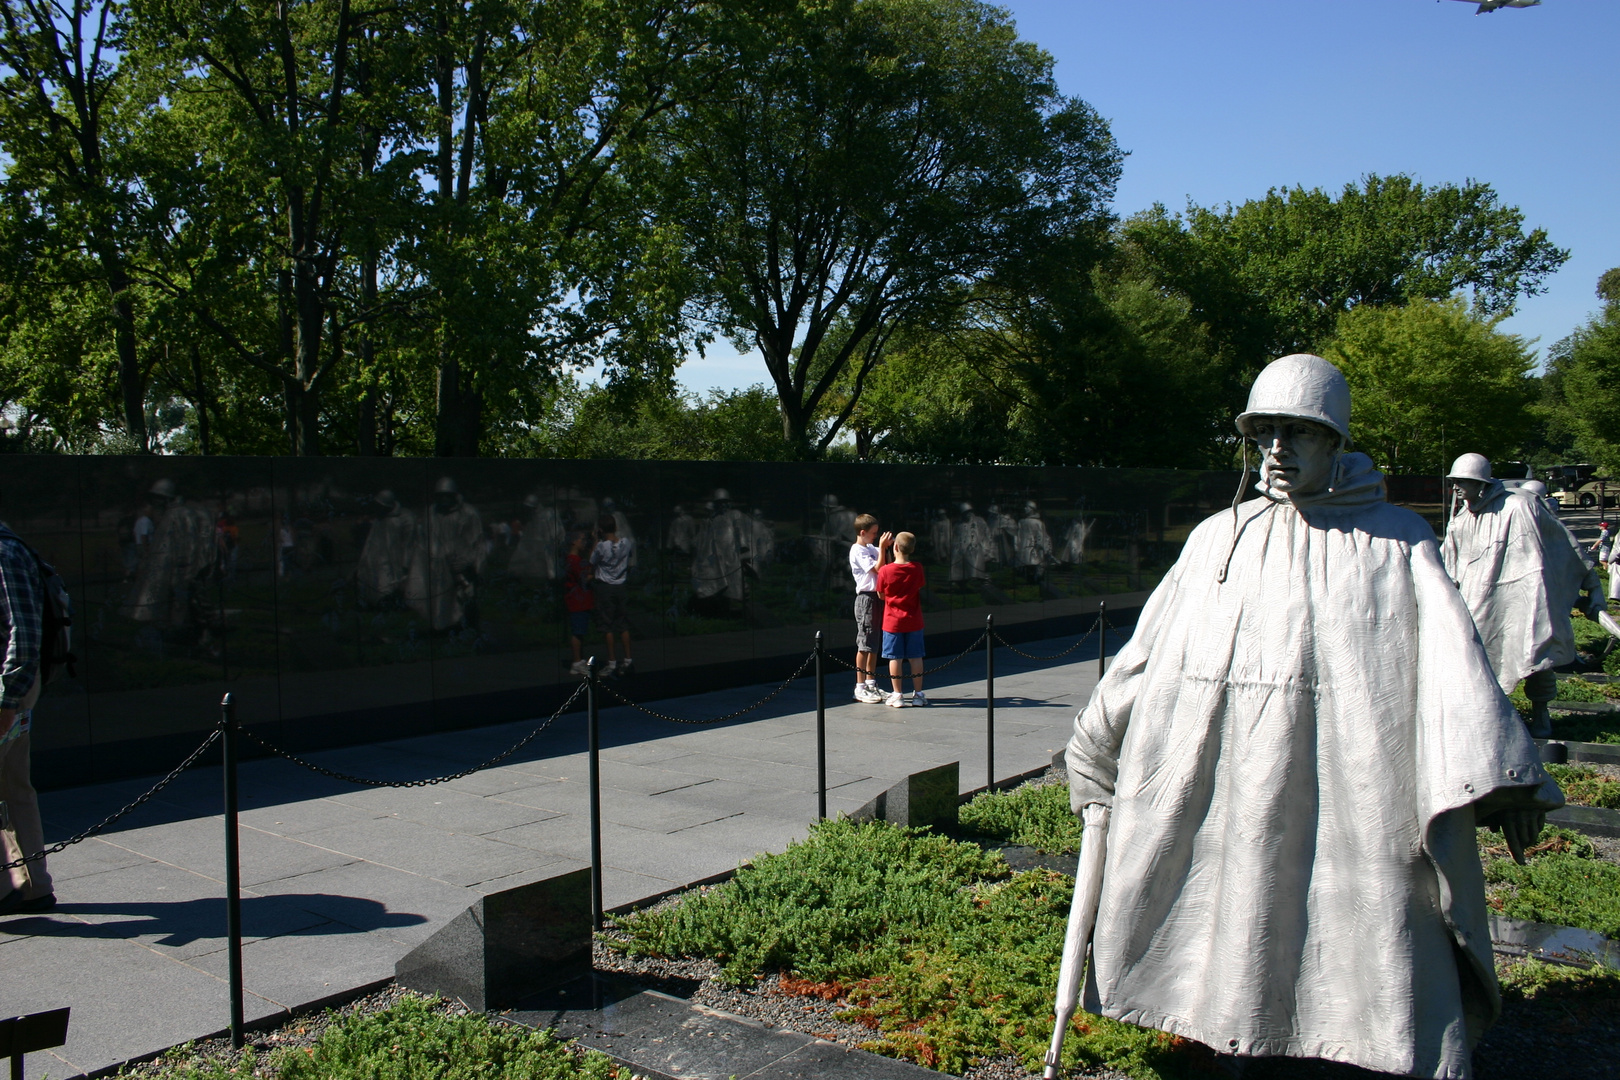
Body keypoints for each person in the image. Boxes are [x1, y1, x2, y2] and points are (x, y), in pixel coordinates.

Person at [1065, 354, 1559, 1078]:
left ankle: (1351, 1040)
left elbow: (1457, 666)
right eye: (1264, 433)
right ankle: (1229, 1033)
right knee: (1230, 907)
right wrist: (1095, 744)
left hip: (1356, 788)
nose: (1277, 451)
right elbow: (1147, 654)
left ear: (1335, 443)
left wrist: (1508, 779)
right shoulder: (1217, 540)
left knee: (1359, 924)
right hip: (1228, 781)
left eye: (1297, 434)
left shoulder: (1396, 541)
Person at [1442, 453, 1603, 738]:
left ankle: (1541, 715)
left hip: (1523, 598)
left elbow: (1563, 543)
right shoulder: (1460, 521)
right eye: (1454, 481)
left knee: (1533, 655)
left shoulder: (1520, 506)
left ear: (1480, 483)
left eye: (1462, 481)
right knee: (1476, 661)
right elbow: (1448, 563)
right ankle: (1492, 719)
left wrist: (1593, 585)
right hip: (1477, 604)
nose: (1456, 487)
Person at [0, 514, 54, 916]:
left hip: (5, 690)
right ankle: (32, 885)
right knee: (14, 786)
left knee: (13, 785)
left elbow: (24, 631)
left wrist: (8, 699)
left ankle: (6, 888)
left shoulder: (3, 552)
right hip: (11, 690)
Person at [876, 531, 926, 708]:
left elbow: (881, 595)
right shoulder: (917, 568)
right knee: (915, 657)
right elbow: (919, 585)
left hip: (892, 621)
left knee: (894, 658)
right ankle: (918, 694)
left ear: (895, 547)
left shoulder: (885, 570)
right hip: (914, 619)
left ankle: (897, 694)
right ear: (911, 549)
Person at [848, 514, 890, 703]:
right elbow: (878, 570)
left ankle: (871, 683)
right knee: (865, 643)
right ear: (862, 532)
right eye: (873, 533)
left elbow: (886, 566)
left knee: (873, 642)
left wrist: (887, 548)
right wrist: (882, 548)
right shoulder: (858, 550)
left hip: (878, 597)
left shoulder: (871, 548)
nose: (875, 536)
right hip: (866, 598)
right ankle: (860, 686)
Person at [591, 514, 635, 676]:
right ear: (615, 527)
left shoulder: (601, 546)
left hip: (605, 588)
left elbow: (592, 560)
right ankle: (628, 659)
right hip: (620, 586)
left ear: (601, 530)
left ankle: (612, 662)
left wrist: (596, 539)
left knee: (607, 625)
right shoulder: (626, 543)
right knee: (623, 623)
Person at [563, 530, 595, 676]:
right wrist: (594, 574)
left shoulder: (573, 559)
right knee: (577, 632)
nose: (584, 542)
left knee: (580, 631)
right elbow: (584, 578)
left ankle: (579, 660)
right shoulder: (574, 560)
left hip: (579, 600)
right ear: (574, 541)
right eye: (581, 539)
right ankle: (576, 662)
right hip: (577, 601)